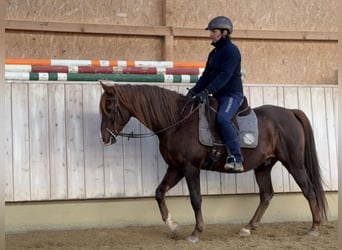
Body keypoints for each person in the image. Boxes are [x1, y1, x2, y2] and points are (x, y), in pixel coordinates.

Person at [187, 16, 244, 172]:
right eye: (211, 31)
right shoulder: (213, 54)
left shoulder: (231, 51)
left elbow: (224, 76)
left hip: (231, 95)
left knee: (223, 119)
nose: (211, 34)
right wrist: (193, 92)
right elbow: (206, 76)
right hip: (217, 96)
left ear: (224, 33)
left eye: (214, 31)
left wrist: (207, 92)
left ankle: (236, 158)